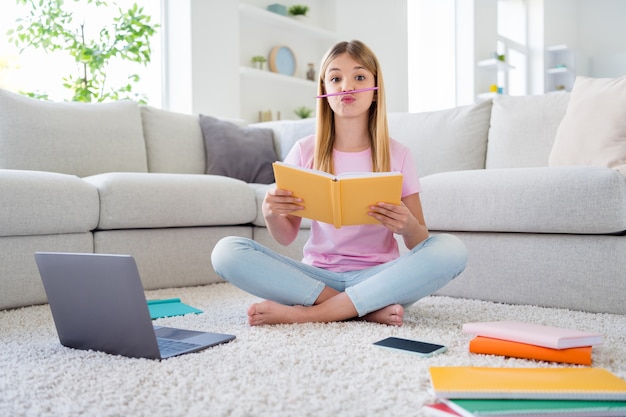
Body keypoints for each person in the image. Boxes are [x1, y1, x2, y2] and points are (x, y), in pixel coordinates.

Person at [211, 40, 467, 327]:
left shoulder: (399, 154)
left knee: (451, 249)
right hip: (317, 277)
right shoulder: (304, 151)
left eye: (359, 77)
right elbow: (285, 237)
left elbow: (421, 243)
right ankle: (363, 309)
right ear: (324, 91)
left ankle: (311, 314)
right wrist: (271, 213)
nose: (347, 86)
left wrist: (407, 226)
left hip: (380, 277)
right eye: (335, 78)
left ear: (375, 91)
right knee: (226, 251)